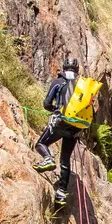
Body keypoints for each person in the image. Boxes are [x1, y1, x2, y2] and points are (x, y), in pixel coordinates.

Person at [32, 58, 80, 205]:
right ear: (76, 70)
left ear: (64, 69)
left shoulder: (58, 82)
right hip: (76, 126)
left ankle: (48, 159)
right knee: (65, 158)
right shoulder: (81, 85)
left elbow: (47, 103)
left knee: (41, 143)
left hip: (60, 122)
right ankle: (61, 193)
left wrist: (56, 110)